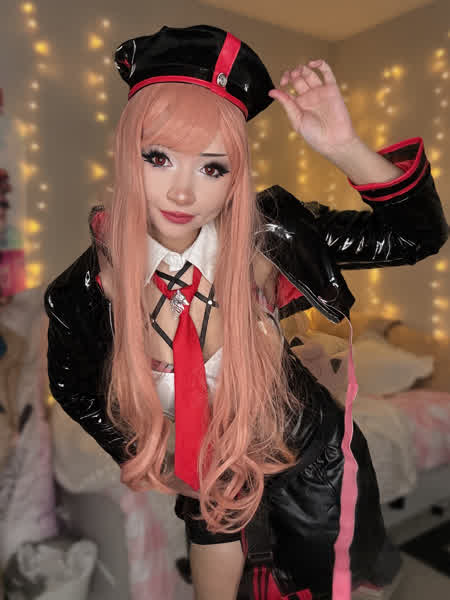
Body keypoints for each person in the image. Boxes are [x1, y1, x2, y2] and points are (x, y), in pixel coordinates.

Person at [44, 24, 448, 600]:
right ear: (127, 154)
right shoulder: (81, 292)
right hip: (209, 477)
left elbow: (416, 236)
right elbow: (75, 387)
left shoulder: (272, 235)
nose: (182, 193)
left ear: (236, 174)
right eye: (159, 158)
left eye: (212, 167)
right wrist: (154, 453)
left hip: (313, 467)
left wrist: (344, 147)